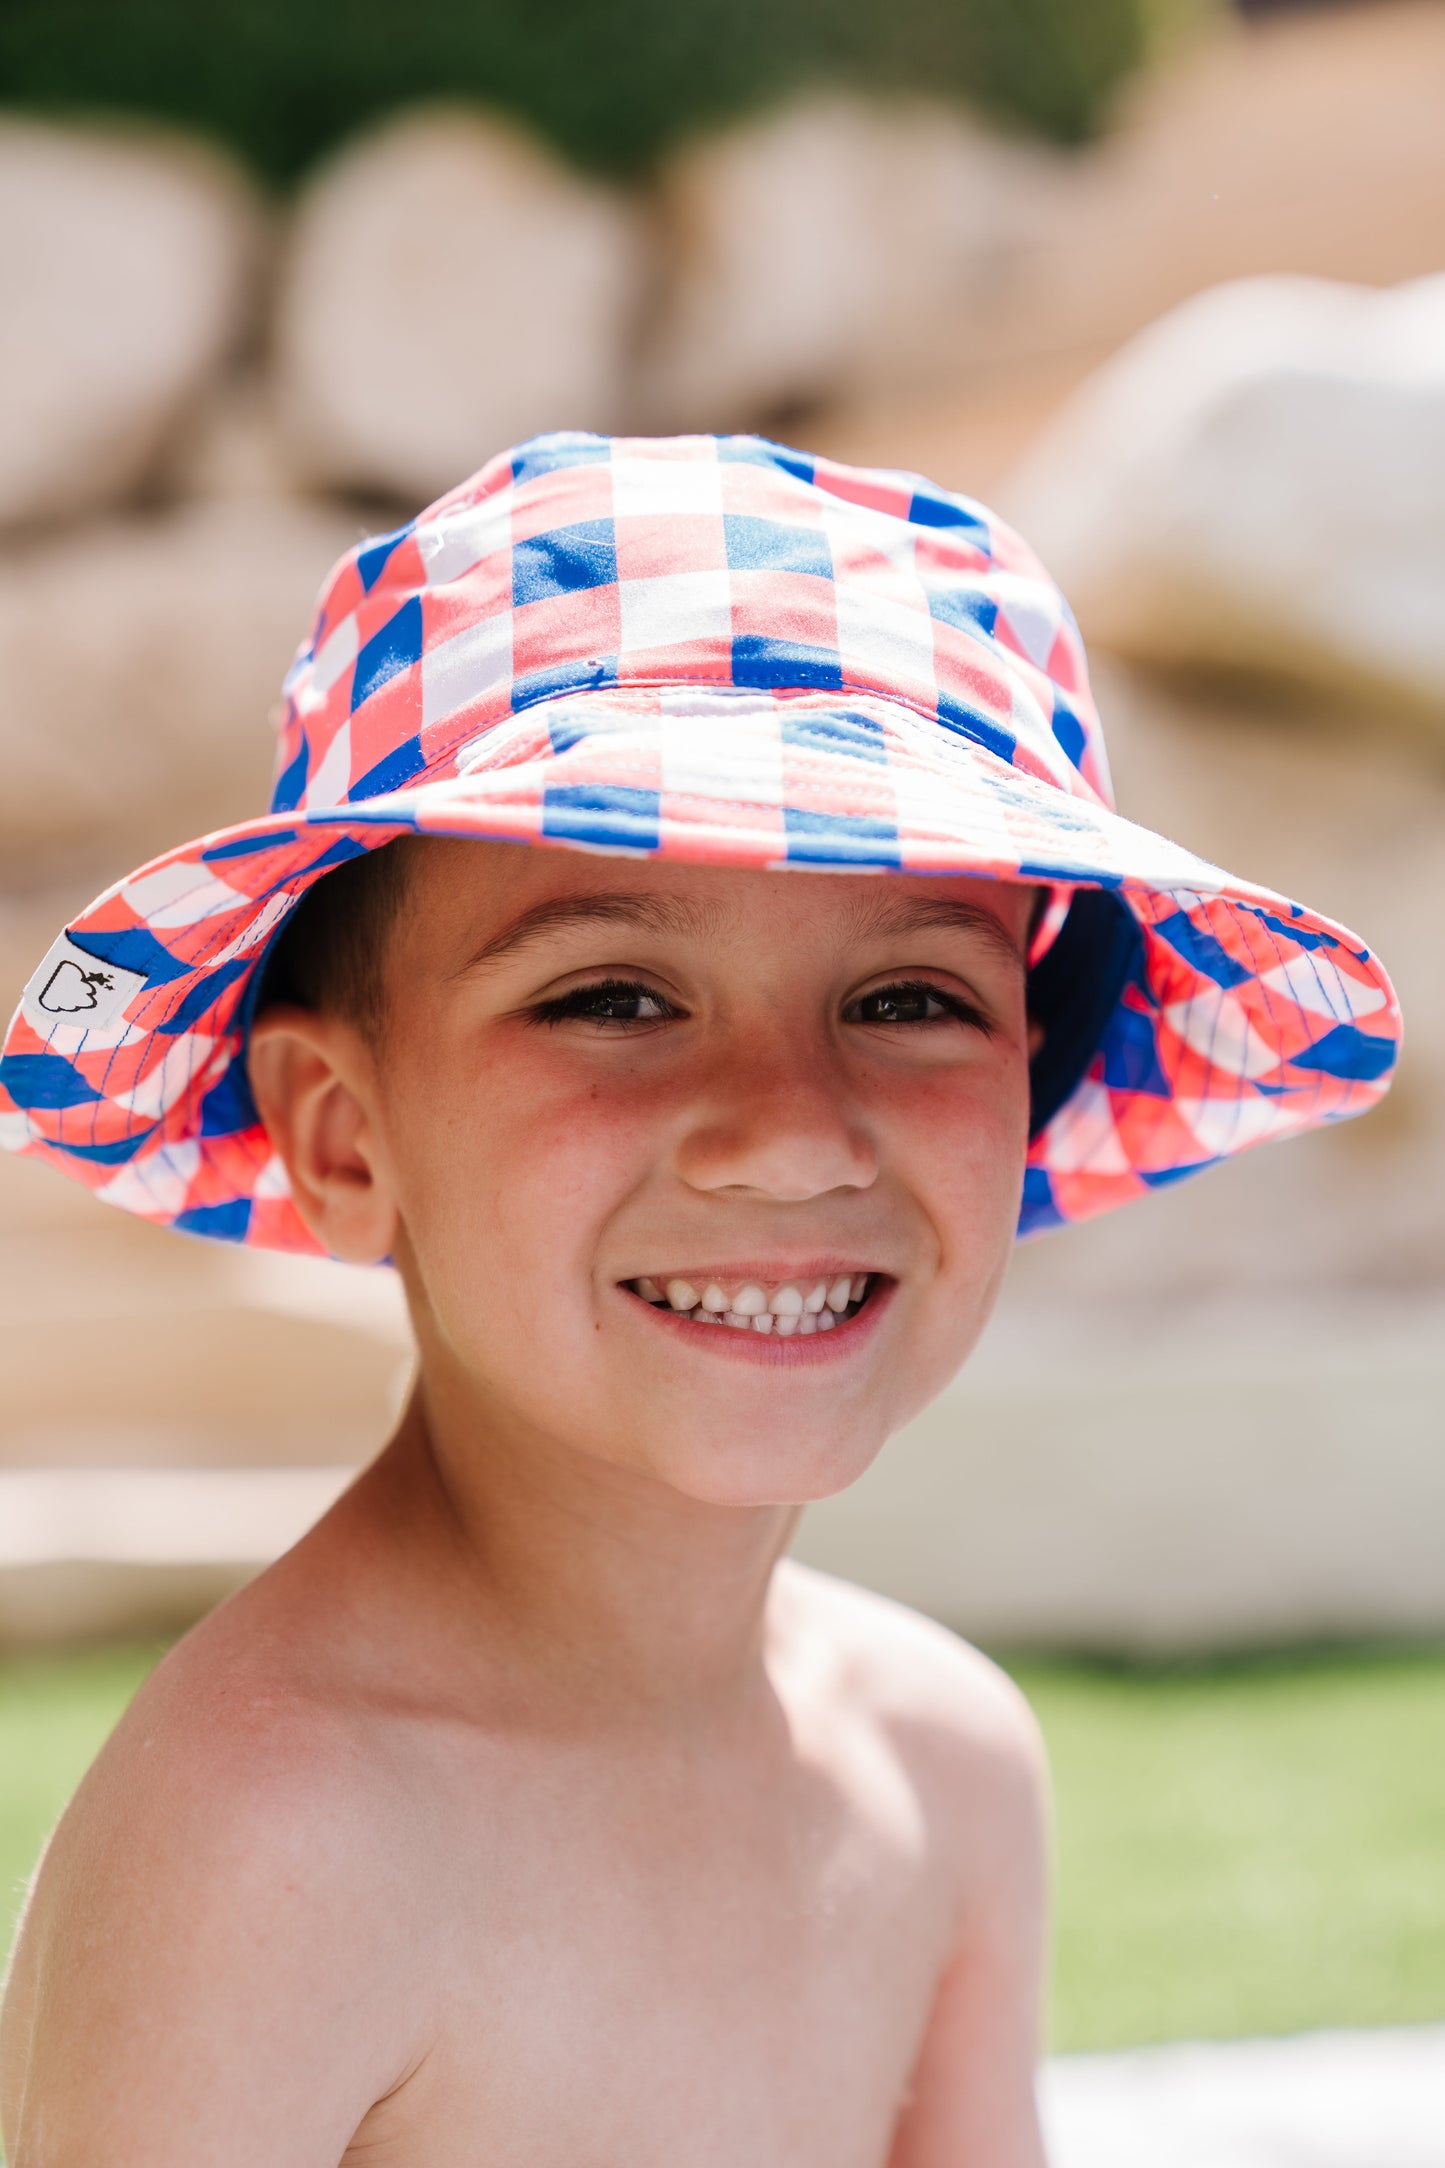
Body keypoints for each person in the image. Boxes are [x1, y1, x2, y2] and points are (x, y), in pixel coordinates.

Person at [0, 434, 1398, 2165]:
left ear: (1032, 1089)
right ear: (344, 1136)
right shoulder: (281, 1833)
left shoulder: (943, 1767)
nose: (789, 1135)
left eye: (905, 1001)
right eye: (611, 996)